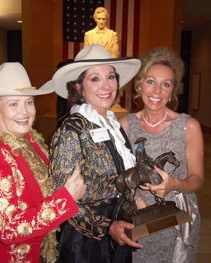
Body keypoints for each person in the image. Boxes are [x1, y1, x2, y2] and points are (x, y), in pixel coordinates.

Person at [0, 62, 86, 263]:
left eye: (28, 102)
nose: (25, 112)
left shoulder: (30, 140)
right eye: (13, 104)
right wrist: (66, 199)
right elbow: (8, 228)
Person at [47, 45, 143, 263]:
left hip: (119, 225)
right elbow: (62, 200)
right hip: (87, 240)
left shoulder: (112, 123)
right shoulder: (71, 130)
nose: (106, 86)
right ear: (79, 87)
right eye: (95, 79)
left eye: (111, 77)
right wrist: (107, 227)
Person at [119, 47, 204, 262]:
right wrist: (137, 199)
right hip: (138, 215)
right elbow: (119, 174)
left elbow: (197, 179)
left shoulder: (188, 126)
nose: (157, 91)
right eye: (150, 81)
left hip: (176, 218)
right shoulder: (125, 125)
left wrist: (174, 184)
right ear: (139, 85)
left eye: (165, 84)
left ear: (173, 91)